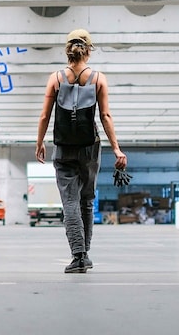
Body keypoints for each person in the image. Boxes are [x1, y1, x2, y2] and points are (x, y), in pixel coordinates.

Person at [35, 29, 127, 274]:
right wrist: (116, 148)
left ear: (68, 50)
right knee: (86, 200)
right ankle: (85, 254)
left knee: (70, 202)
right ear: (88, 50)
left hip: (64, 147)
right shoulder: (98, 78)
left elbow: (45, 115)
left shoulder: (55, 78)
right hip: (90, 147)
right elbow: (105, 115)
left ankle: (78, 256)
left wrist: (40, 142)